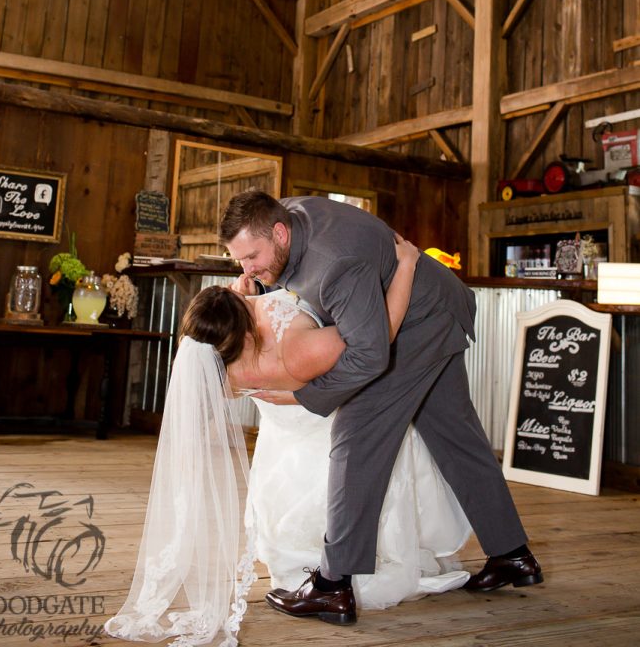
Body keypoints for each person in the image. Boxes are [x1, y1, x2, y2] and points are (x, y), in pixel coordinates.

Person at [104, 240, 469, 646]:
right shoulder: (295, 347)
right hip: (329, 436)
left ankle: (326, 568)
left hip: (286, 452)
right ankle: (338, 576)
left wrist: (249, 295)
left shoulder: (219, 366)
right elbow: (375, 343)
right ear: (242, 332)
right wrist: (406, 266)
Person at [220, 191, 543, 626]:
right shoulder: (286, 218)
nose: (246, 269)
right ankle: (512, 555)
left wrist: (305, 396)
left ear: (279, 233)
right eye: (240, 259)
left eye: (251, 257)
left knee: (355, 441)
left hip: (416, 326)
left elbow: (370, 356)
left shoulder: (334, 264)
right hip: (434, 311)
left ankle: (333, 586)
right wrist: (259, 278)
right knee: (456, 436)